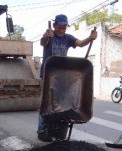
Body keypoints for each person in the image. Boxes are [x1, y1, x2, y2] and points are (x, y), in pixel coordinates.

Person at [37, 14, 98, 142]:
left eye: (64, 28)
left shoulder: (67, 38)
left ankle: (57, 129)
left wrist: (89, 38)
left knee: (60, 103)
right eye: (59, 27)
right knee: (46, 101)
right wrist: (45, 36)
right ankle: (42, 130)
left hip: (62, 76)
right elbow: (43, 43)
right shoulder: (49, 35)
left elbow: (80, 43)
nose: (62, 30)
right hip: (48, 74)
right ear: (54, 26)